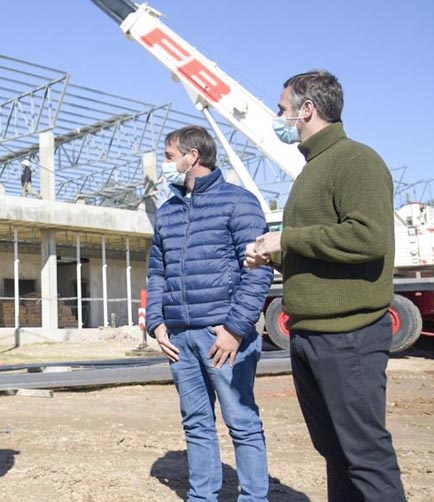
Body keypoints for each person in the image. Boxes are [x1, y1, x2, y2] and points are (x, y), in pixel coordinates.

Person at [247, 70, 405, 501]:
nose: (278, 117)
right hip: (312, 335)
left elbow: (368, 238)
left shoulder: (356, 161)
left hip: (349, 337)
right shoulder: (313, 168)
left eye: (282, 109)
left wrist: (289, 238)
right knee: (335, 452)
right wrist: (273, 253)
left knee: (364, 454)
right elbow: (323, 249)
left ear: (307, 110)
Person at [146, 125, 273, 501]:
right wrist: (157, 323)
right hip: (181, 339)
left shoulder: (238, 202)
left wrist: (234, 329)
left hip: (223, 337)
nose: (164, 164)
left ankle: (253, 498)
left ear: (192, 157)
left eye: (168, 157)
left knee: (242, 422)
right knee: (196, 425)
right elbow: (157, 271)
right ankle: (202, 497)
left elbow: (258, 270)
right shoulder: (168, 213)